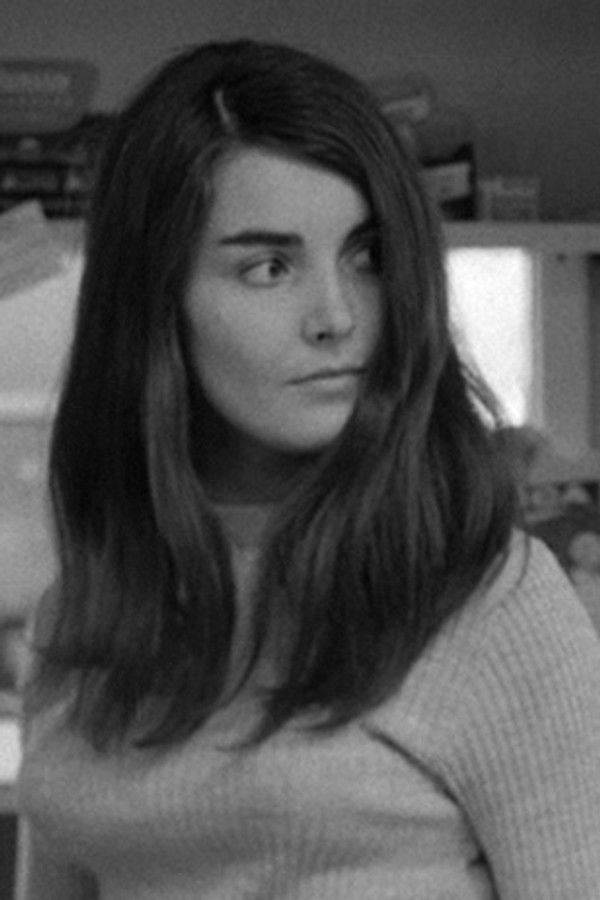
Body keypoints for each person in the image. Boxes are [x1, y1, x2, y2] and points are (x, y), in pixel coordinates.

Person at [15, 39, 600, 900]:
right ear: (154, 306)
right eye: (269, 267)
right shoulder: (82, 612)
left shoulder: (490, 604)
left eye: (368, 257)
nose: (337, 317)